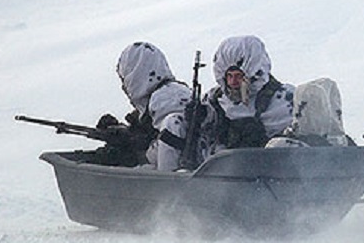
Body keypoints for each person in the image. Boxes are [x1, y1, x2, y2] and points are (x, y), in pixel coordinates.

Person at [198, 35, 296, 159]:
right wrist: (197, 118)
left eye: (239, 76)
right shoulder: (215, 101)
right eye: (229, 76)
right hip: (220, 171)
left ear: (254, 74)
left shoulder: (284, 101)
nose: (233, 82)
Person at [103, 41, 192, 170]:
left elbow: (171, 140)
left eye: (124, 78)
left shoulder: (163, 99)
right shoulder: (174, 91)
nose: (124, 86)